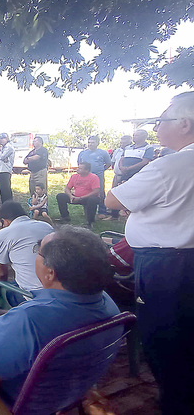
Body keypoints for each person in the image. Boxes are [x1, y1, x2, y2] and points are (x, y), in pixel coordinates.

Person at [0, 226, 120, 406]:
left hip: (13, 402)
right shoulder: (107, 303)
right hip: (67, 391)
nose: (36, 254)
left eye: (38, 251)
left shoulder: (30, 321)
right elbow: (51, 326)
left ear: (50, 273)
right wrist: (2, 314)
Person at [105, 91, 194, 414]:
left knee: (164, 341)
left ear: (184, 124)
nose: (157, 129)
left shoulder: (170, 165)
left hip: (167, 266)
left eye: (161, 121)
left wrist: (139, 210)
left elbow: (113, 201)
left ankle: (177, 403)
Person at [0, 201, 54, 307]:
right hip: (56, 291)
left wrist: (1, 291)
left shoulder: (5, 233)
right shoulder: (46, 227)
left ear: (5, 221)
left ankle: (6, 313)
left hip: (32, 297)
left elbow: (1, 273)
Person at [56, 162, 100, 228]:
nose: (78, 169)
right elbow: (67, 188)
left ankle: (90, 222)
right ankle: (65, 217)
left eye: (80, 168)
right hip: (75, 197)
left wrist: (81, 197)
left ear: (87, 170)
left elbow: (96, 191)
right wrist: (71, 196)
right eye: (78, 167)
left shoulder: (94, 177)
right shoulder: (74, 176)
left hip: (88, 197)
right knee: (60, 196)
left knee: (92, 200)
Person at [77, 135, 111, 217]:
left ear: (97, 143)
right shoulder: (82, 153)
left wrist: (101, 170)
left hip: (98, 176)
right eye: (89, 142)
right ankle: (88, 210)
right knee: (86, 192)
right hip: (85, 177)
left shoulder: (103, 153)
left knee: (100, 193)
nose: (90, 144)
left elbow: (108, 163)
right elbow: (79, 163)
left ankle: (102, 211)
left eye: (92, 142)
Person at [109, 134, 133, 220]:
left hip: (127, 176)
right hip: (117, 175)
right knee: (115, 194)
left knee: (125, 195)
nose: (122, 143)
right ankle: (114, 215)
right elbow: (113, 161)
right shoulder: (118, 150)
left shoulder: (132, 150)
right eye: (121, 141)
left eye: (124, 142)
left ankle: (126, 214)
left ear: (130, 141)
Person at [0, 133, 15, 203]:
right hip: (0, 170)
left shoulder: (9, 147)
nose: (0, 141)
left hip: (5, 170)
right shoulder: (3, 148)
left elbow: (2, 157)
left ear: (6, 139)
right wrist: (0, 156)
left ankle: (9, 205)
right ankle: (4, 205)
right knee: (2, 190)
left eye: (1, 139)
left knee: (6, 190)